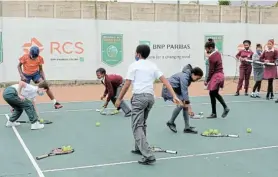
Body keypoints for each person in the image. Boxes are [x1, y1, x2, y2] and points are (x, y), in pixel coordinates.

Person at [114, 44, 181, 165]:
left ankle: (148, 155)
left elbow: (127, 84)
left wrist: (119, 99)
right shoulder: (152, 65)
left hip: (139, 98)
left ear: (138, 54)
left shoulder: (134, 66)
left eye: (135, 53)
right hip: (150, 98)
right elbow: (165, 80)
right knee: (142, 123)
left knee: (136, 126)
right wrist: (174, 95)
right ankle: (138, 148)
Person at [163, 64, 203, 134]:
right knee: (181, 104)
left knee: (184, 104)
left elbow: (185, 94)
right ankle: (170, 122)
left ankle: (187, 127)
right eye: (197, 78)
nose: (197, 80)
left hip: (176, 90)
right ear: (193, 74)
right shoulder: (185, 77)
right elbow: (184, 92)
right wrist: (189, 108)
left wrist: (188, 106)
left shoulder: (188, 77)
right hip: (168, 90)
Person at [204, 39, 230, 118]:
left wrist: (207, 80)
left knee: (213, 93)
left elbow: (211, 70)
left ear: (210, 48)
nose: (206, 50)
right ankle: (214, 113)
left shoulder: (211, 57)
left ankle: (225, 108)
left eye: (206, 49)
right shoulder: (218, 53)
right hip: (221, 75)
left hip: (216, 76)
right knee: (213, 93)